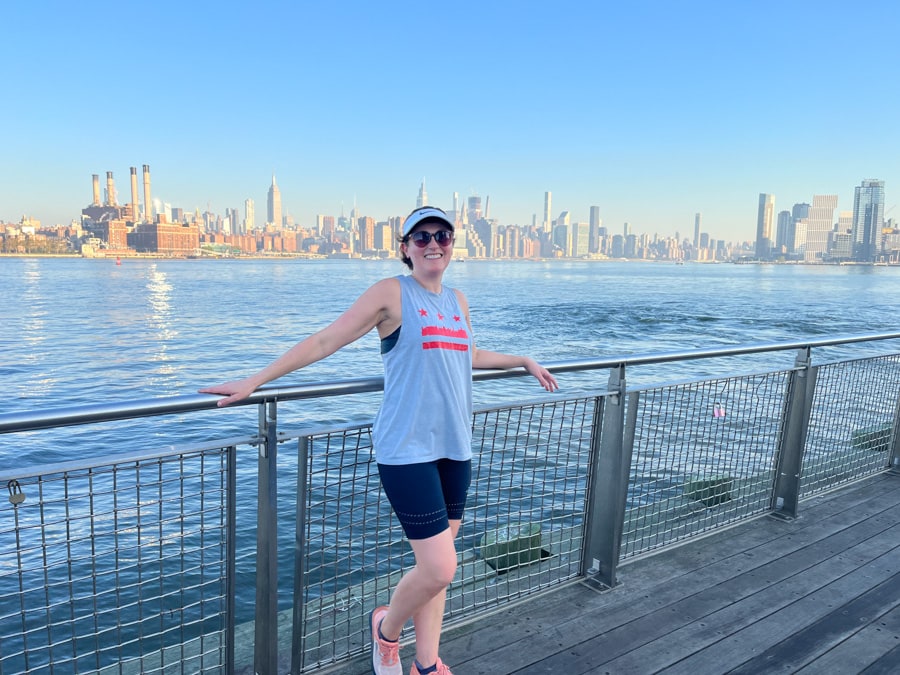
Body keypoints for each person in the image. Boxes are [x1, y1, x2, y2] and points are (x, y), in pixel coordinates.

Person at [200, 205, 558, 675]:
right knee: (439, 568)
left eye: (443, 235)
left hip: (456, 447)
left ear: (453, 244)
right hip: (407, 449)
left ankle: (426, 665)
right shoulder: (392, 293)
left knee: (440, 565)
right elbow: (327, 341)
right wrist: (256, 380)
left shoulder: (458, 301)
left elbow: (466, 354)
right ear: (405, 248)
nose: (433, 243)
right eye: (422, 236)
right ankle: (386, 630)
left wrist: (523, 360)